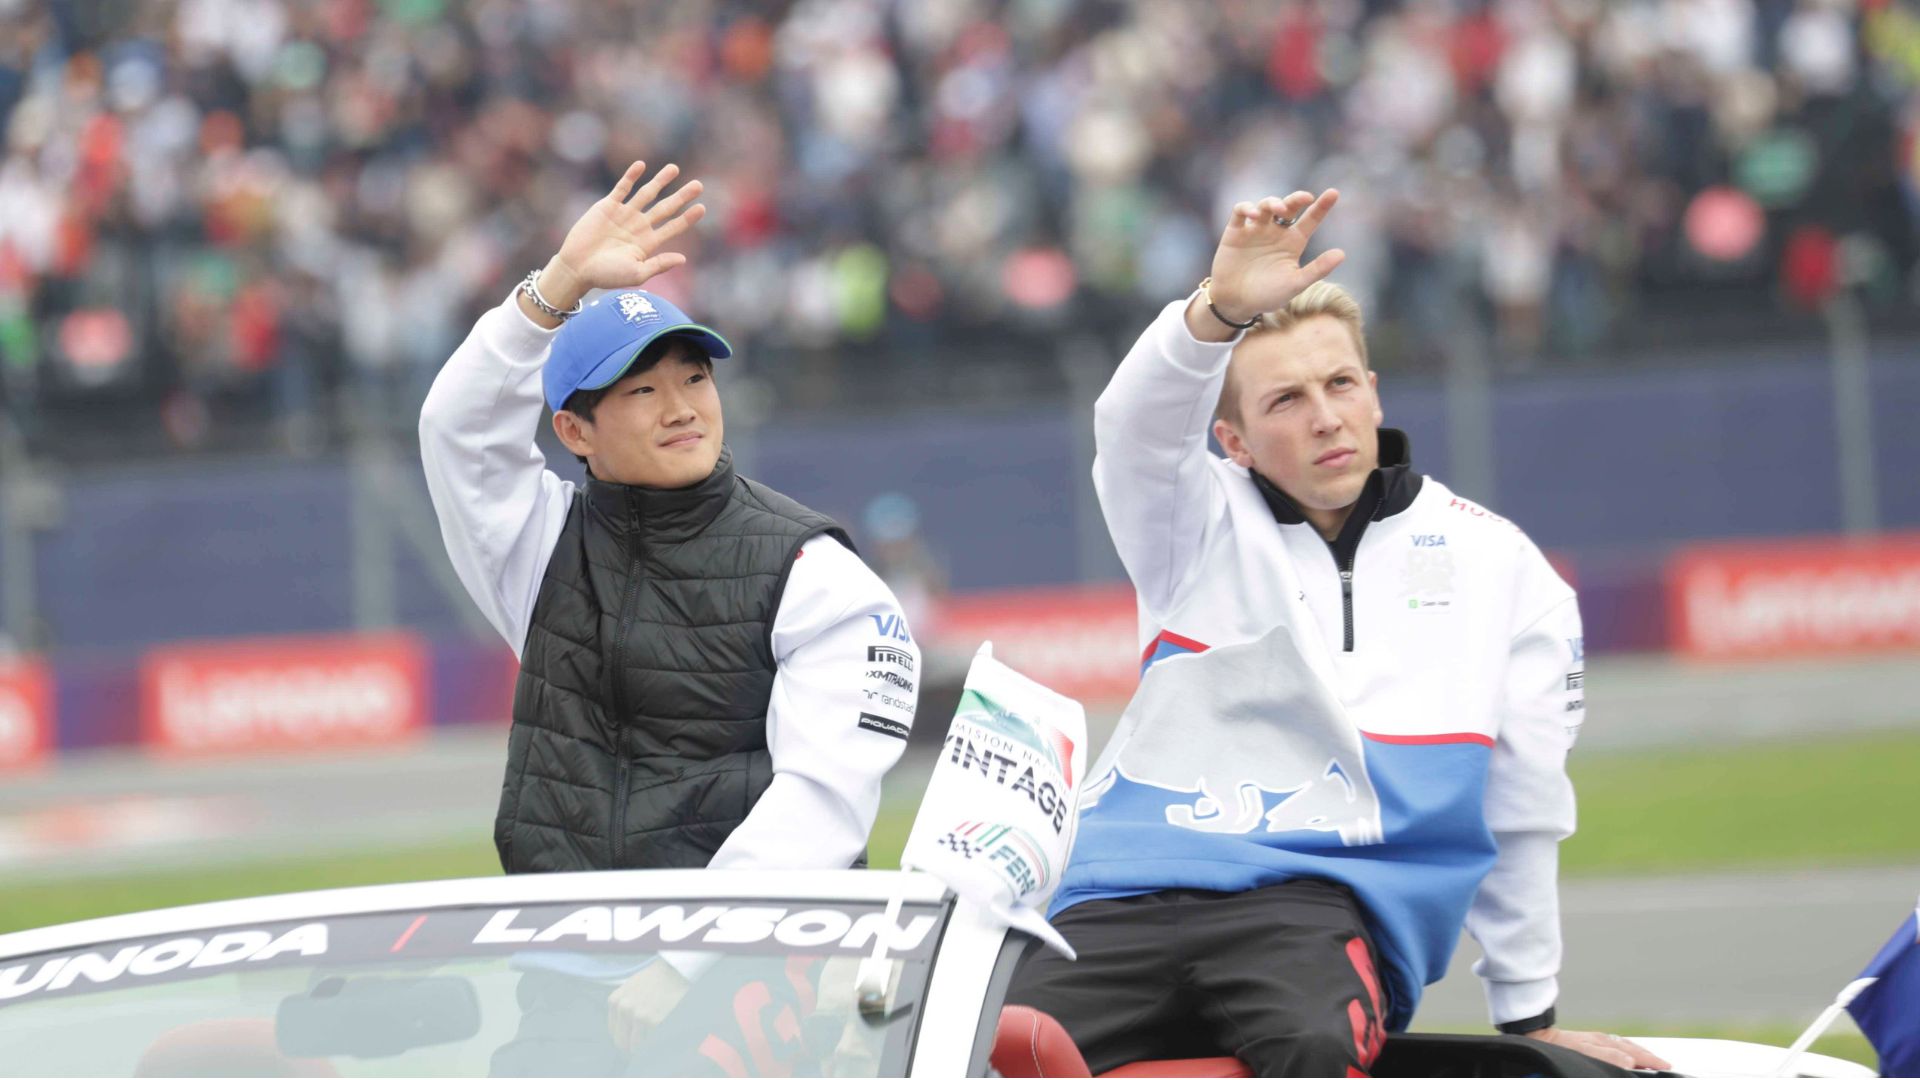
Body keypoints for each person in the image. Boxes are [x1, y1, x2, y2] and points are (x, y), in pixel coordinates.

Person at [1003, 189, 1669, 1076]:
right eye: (1285, 400)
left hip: (1313, 906)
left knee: (1317, 1051)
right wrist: (1219, 310)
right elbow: (1132, 427)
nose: (1324, 416)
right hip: (1115, 897)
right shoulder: (1188, 524)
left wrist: (1529, 1019)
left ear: (1373, 392)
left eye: (1341, 383)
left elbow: (1525, 807)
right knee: (969, 1054)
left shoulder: (1501, 565)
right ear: (1233, 441)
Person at [418, 161, 921, 1067]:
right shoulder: (541, 548)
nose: (682, 408)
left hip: (769, 977)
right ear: (574, 433)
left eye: (694, 379)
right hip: (568, 981)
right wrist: (557, 286)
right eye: (642, 392)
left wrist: (686, 960)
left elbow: (820, 803)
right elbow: (456, 430)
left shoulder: (816, 573)